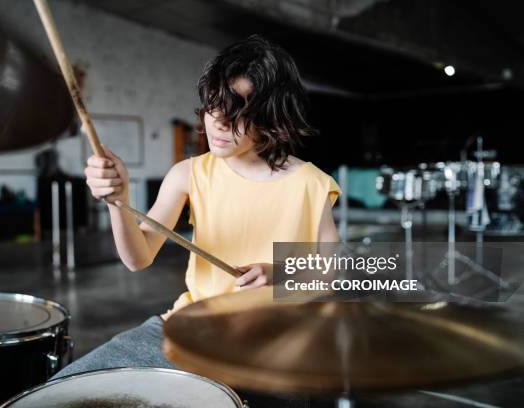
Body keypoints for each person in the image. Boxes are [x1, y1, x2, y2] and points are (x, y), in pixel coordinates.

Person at [52, 35, 341, 385]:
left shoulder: (311, 184)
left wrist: (280, 272)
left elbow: (332, 272)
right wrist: (119, 201)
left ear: (272, 117)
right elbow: (138, 257)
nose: (218, 122)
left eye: (237, 112)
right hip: (189, 326)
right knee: (67, 388)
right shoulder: (188, 174)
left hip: (276, 341)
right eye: (214, 105)